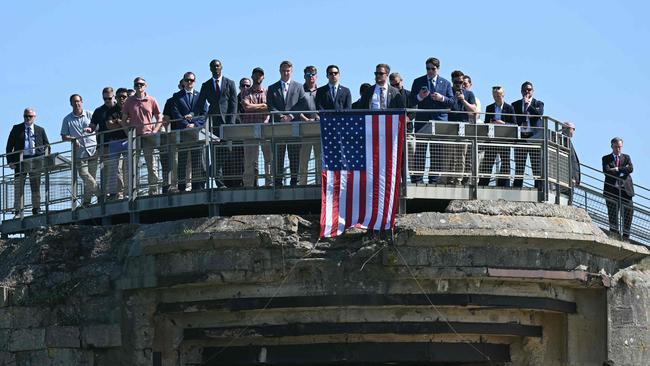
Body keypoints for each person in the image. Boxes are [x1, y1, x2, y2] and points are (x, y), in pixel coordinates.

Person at [409, 57, 455, 184]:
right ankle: (418, 179)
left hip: (439, 121)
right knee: (420, 152)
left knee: (437, 152)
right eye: (428, 68)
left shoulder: (445, 83)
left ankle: (433, 180)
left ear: (438, 69)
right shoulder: (418, 81)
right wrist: (420, 96)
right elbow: (411, 100)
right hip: (423, 121)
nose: (430, 71)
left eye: (432, 69)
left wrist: (442, 98)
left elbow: (452, 102)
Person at [195, 59, 238, 187]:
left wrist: (231, 122)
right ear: (210, 69)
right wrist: (193, 115)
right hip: (213, 123)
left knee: (226, 150)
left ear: (221, 67)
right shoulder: (206, 85)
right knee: (215, 151)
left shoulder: (230, 83)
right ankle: (219, 182)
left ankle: (209, 171)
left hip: (227, 122)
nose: (216, 68)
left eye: (218, 66)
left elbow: (233, 103)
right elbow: (200, 104)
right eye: (213, 66)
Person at [267, 60, 308, 186]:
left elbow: (303, 104)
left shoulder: (299, 87)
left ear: (291, 71)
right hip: (278, 127)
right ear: (280, 71)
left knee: (294, 156)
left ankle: (294, 181)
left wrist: (290, 116)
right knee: (278, 156)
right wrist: (280, 116)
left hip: (294, 126)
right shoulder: (272, 88)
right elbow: (270, 105)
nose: (286, 73)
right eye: (284, 70)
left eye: (288, 71)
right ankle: (278, 181)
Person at [121, 77, 163, 195]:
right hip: (135, 138)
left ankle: (153, 191)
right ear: (134, 86)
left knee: (152, 165)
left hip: (148, 136)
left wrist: (155, 130)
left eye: (141, 84)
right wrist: (128, 133)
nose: (139, 86)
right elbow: (123, 120)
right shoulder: (129, 101)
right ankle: (134, 192)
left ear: (146, 86)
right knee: (133, 167)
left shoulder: (152, 100)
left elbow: (160, 117)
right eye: (137, 84)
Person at [6, 108, 50, 217]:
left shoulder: (40, 130)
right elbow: (9, 146)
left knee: (35, 187)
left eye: (30, 116)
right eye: (26, 116)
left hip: (36, 161)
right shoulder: (16, 129)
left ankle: (36, 209)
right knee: (18, 187)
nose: (28, 118)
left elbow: (47, 145)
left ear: (34, 117)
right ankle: (17, 211)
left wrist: (46, 159)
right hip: (20, 161)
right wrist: (10, 161)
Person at [171, 72, 207, 192]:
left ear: (195, 82)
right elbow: (175, 112)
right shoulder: (176, 96)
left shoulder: (200, 95)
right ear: (183, 81)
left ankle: (197, 186)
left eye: (191, 80)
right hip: (183, 132)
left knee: (197, 160)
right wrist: (186, 124)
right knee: (182, 161)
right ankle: (181, 187)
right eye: (187, 80)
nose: (189, 82)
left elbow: (204, 113)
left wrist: (195, 125)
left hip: (197, 132)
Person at [61, 94, 98, 207]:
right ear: (71, 104)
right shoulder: (67, 119)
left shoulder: (90, 114)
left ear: (82, 102)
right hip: (79, 152)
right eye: (74, 102)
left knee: (91, 177)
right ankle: (100, 193)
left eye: (78, 101)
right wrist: (73, 139)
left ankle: (86, 202)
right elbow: (63, 136)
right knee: (84, 174)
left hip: (93, 149)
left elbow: (98, 128)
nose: (77, 103)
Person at [445, 70, 477, 185]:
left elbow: (474, 111)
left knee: (461, 155)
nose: (459, 84)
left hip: (463, 127)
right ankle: (447, 178)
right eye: (456, 82)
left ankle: (458, 179)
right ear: (452, 81)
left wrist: (463, 100)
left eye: (461, 82)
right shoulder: (448, 92)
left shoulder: (469, 94)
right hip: (449, 127)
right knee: (448, 155)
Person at [479, 86, 516, 187]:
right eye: (494, 95)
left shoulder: (509, 108)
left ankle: (504, 185)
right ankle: (483, 185)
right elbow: (486, 123)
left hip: (504, 139)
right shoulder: (489, 107)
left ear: (503, 95)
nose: (496, 97)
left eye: (498, 95)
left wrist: (502, 123)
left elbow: (514, 124)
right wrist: (491, 123)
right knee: (487, 163)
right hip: (492, 139)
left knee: (505, 164)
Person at [241, 67, 271, 187]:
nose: (258, 77)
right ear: (252, 76)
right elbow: (246, 107)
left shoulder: (268, 92)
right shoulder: (245, 92)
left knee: (269, 160)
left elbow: (270, 107)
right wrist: (262, 105)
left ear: (263, 77)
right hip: (249, 130)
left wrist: (254, 106)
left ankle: (269, 184)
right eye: (256, 74)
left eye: (260, 75)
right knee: (249, 161)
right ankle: (248, 185)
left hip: (266, 130)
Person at [512, 81, 544, 189]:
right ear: (521, 91)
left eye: (529, 90)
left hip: (534, 138)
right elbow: (514, 119)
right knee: (519, 165)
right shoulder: (515, 105)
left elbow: (538, 114)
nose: (527, 91)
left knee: (536, 166)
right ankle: (517, 188)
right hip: (521, 137)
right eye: (525, 89)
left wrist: (527, 105)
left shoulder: (538, 103)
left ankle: (539, 189)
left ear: (533, 91)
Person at [602, 137, 634, 239]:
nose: (618, 149)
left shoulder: (627, 157)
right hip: (611, 190)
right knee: (613, 214)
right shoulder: (606, 158)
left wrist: (617, 169)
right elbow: (607, 171)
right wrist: (622, 171)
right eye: (616, 147)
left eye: (619, 147)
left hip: (626, 191)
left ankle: (625, 236)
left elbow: (631, 169)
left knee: (628, 213)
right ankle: (614, 234)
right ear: (612, 146)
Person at [89, 87, 115, 195]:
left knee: (117, 169)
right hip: (103, 145)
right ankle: (104, 194)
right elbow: (93, 125)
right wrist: (89, 129)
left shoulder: (119, 108)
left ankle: (116, 192)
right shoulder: (99, 111)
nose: (107, 101)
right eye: (105, 99)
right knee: (105, 170)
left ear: (113, 96)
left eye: (109, 98)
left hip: (116, 142)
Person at [104, 88, 129, 199]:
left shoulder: (130, 108)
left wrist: (118, 122)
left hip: (127, 140)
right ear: (116, 97)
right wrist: (122, 122)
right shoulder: (111, 110)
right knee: (114, 168)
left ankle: (129, 192)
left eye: (124, 96)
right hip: (114, 141)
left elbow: (130, 123)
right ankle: (118, 193)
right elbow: (109, 126)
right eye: (119, 96)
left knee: (129, 167)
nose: (121, 98)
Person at [298, 65, 320, 185]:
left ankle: (319, 183)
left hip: (318, 129)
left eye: (312, 74)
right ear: (304, 76)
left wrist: (317, 118)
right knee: (304, 159)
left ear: (316, 76)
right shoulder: (300, 90)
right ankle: (302, 183)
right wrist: (306, 120)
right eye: (308, 75)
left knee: (319, 159)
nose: (310, 77)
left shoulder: (320, 91)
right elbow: (296, 109)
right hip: (305, 129)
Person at [562, 122, 580, 199]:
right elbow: (566, 160)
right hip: (567, 178)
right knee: (567, 199)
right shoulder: (564, 139)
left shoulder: (566, 139)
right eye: (573, 129)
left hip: (568, 178)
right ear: (566, 129)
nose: (573, 131)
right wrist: (572, 176)